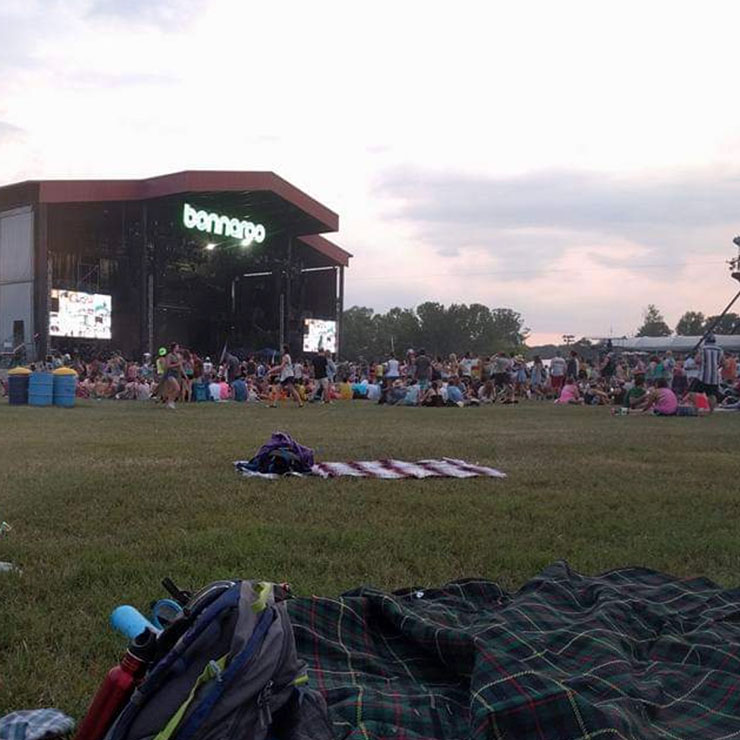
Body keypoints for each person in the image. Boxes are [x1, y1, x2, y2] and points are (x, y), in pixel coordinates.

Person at [696, 335, 724, 410]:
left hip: (703, 376)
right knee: (712, 394)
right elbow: (723, 363)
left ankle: (698, 407)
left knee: (695, 392)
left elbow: (698, 360)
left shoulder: (702, 349)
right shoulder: (720, 350)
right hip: (714, 376)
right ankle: (711, 410)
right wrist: (716, 367)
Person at [161, 343, 183, 409]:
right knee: (177, 389)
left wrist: (183, 374)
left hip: (177, 374)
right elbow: (167, 366)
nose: (178, 348)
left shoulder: (178, 356)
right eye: (177, 347)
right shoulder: (169, 356)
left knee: (171, 390)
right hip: (170, 374)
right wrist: (176, 364)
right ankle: (171, 402)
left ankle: (168, 403)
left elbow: (180, 366)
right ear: (174, 348)